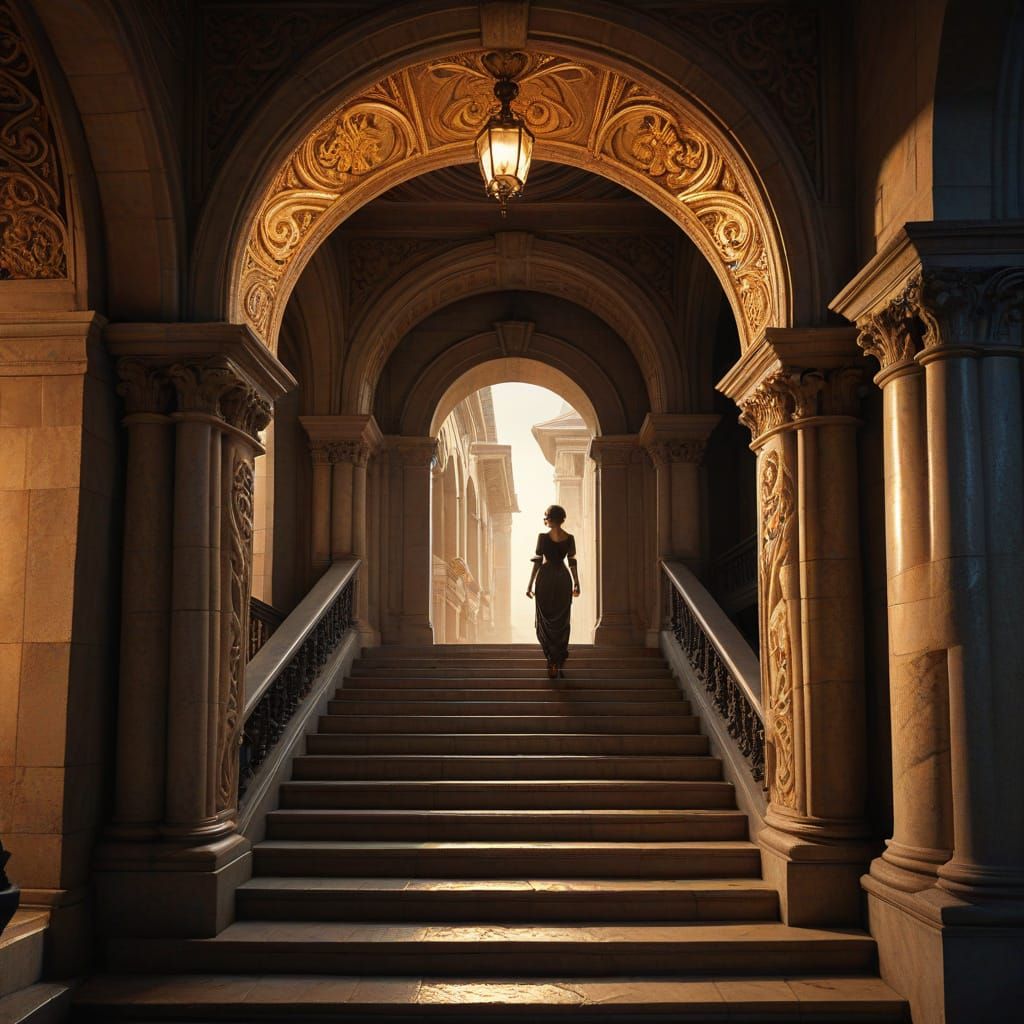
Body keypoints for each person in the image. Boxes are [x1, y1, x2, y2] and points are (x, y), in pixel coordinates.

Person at [526, 504, 581, 678]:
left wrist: (529, 584)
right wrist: (576, 583)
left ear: (550, 519)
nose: (545, 520)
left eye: (546, 517)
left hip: (546, 578)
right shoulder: (570, 538)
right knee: (562, 620)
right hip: (563, 579)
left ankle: (551, 659)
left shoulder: (542, 538)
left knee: (545, 619)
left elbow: (537, 562)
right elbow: (572, 562)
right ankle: (557, 659)